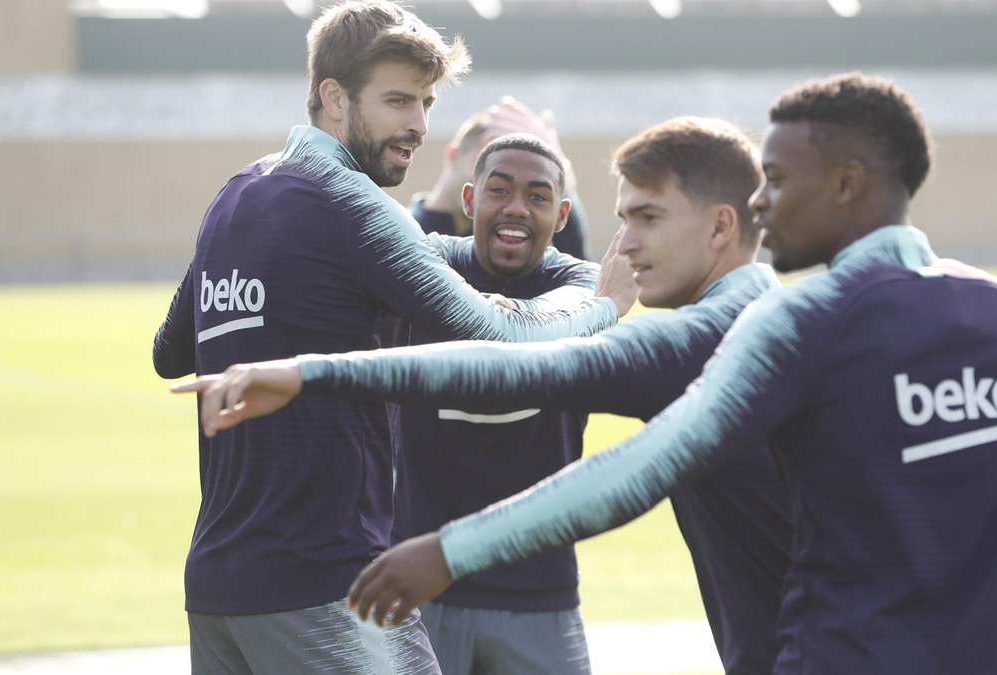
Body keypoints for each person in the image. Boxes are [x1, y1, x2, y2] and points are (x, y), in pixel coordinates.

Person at [341, 73, 997, 673]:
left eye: (773, 178)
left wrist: (317, 377)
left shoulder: (796, 332)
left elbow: (603, 443)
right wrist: (947, 616)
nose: (763, 202)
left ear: (845, 182)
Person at [173, 117, 791, 674]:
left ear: (720, 226)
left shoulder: (717, 341)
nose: (622, 246)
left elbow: (606, 468)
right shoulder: (779, 322)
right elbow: (499, 366)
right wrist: (312, 372)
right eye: (624, 218)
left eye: (648, 218)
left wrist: (447, 548)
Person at [151, 2, 634, 673]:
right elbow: (495, 331)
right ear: (333, 96)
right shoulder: (349, 204)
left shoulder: (236, 194)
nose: (418, 125)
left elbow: (168, 350)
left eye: (427, 102)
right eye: (398, 100)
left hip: (217, 585)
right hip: (323, 581)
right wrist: (604, 305)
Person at [383, 132, 599, 674]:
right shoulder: (423, 269)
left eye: (538, 196)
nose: (517, 209)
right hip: (417, 587)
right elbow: (393, 238)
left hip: (539, 591)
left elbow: (530, 322)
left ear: (561, 213)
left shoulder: (582, 285)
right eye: (499, 191)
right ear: (470, 200)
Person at [413, 96, 590, 260]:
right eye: (498, 185)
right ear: (453, 154)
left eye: (535, 193)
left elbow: (578, 267)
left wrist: (558, 174)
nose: (514, 206)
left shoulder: (515, 251)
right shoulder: (405, 231)